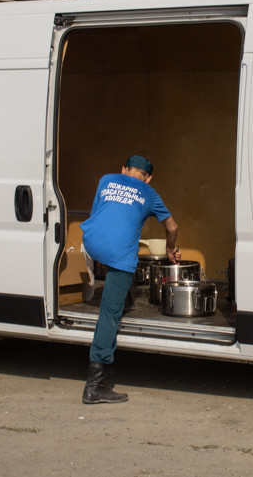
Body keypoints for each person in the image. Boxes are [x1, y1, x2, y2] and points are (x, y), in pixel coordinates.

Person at [79, 154, 179, 404]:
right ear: (148, 177)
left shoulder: (106, 180)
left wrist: (100, 250)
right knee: (109, 314)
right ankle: (95, 387)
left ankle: (123, 297)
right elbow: (172, 227)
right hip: (119, 252)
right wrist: (169, 249)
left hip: (91, 240)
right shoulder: (149, 193)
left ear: (123, 169)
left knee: (118, 262)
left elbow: (98, 213)